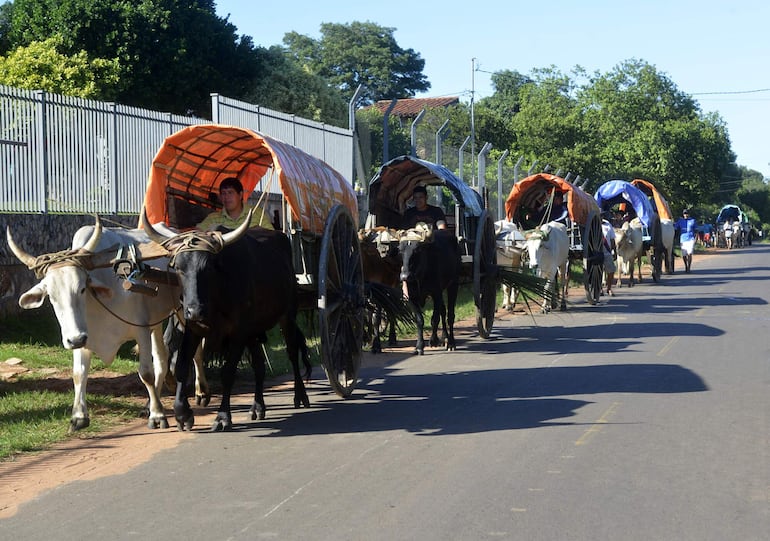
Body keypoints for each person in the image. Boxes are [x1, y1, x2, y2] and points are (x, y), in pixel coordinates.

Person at [196, 177, 273, 231]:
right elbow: (197, 232)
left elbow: (271, 236)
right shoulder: (213, 219)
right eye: (223, 193)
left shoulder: (256, 213)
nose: (226, 197)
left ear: (240, 195)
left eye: (230, 192)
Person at [601, 215, 617, 296]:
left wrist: (614, 251)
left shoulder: (607, 224)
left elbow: (612, 238)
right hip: (596, 252)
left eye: (601, 215)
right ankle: (599, 288)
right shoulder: (590, 223)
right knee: (597, 272)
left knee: (611, 271)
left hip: (607, 251)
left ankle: (609, 288)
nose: (600, 217)